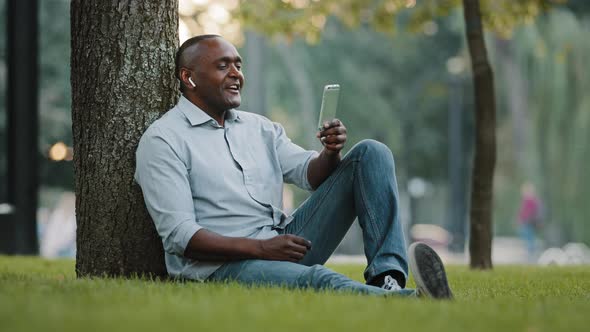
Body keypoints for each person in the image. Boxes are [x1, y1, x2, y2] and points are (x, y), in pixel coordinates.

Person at [135, 34, 452, 299]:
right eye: (223, 66)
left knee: (372, 152)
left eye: (238, 65)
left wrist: (329, 152)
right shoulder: (164, 140)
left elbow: (309, 174)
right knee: (318, 280)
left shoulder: (259, 128)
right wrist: (261, 248)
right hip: (219, 267)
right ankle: (411, 301)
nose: (236, 74)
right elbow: (179, 237)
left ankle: (388, 280)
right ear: (188, 77)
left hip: (281, 243)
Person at [517, 182, 543, 262]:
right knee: (528, 237)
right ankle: (530, 253)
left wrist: (522, 219)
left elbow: (527, 212)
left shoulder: (531, 201)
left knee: (529, 237)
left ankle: (530, 254)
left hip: (528, 222)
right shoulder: (530, 200)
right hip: (527, 222)